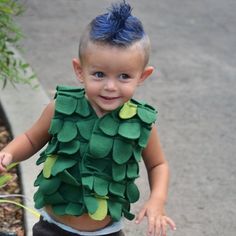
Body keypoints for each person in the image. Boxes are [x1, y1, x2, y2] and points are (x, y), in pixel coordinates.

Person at [0, 1, 176, 236]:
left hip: (107, 231)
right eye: (99, 74)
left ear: (142, 76)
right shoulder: (60, 108)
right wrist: (9, 154)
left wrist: (157, 200)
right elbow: (31, 140)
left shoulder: (141, 124)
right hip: (52, 227)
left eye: (124, 76)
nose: (110, 86)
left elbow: (158, 165)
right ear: (80, 70)